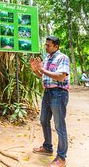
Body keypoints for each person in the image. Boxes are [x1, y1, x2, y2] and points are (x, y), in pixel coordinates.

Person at [29, 36, 70, 167]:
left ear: (56, 46)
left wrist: (42, 69)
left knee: (59, 126)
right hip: (47, 93)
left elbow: (61, 76)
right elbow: (43, 75)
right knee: (43, 120)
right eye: (45, 45)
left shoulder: (62, 58)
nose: (46, 47)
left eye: (48, 45)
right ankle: (47, 147)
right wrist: (36, 70)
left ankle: (61, 158)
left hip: (59, 93)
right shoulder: (47, 58)